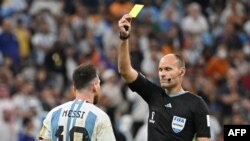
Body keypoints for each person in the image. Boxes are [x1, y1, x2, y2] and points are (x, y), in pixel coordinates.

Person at [117, 14, 211, 141]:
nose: (162, 73)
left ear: (181, 72)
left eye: (168, 69)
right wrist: (124, 37)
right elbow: (125, 71)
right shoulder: (154, 94)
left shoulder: (196, 104)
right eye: (160, 69)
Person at [39, 63, 116, 141]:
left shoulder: (53, 113)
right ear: (95, 86)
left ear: (74, 87)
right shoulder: (100, 117)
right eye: (99, 84)